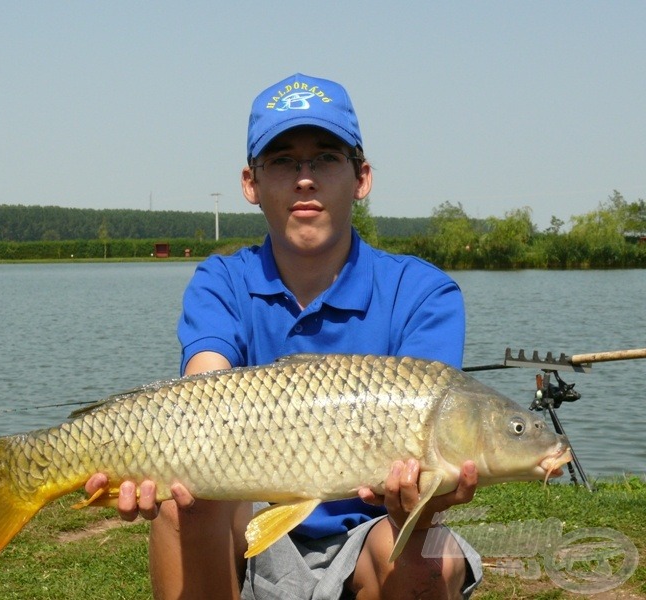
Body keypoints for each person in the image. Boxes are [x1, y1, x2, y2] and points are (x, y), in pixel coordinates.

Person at [86, 73, 482, 599]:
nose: (305, 179)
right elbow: (203, 391)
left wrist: (428, 492)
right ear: (251, 183)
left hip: (373, 531)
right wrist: (145, 460)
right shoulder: (221, 281)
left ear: (361, 177)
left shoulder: (424, 292)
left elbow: (434, 429)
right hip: (247, 525)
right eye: (282, 162)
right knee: (182, 500)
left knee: (435, 555)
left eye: (324, 159)